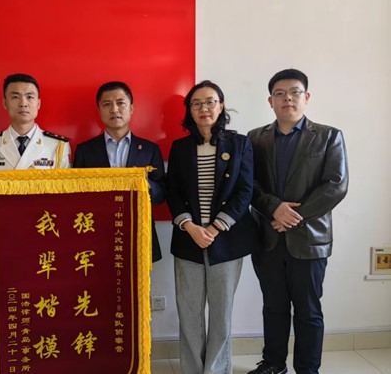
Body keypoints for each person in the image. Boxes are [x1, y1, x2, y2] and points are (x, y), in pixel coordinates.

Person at [247, 69, 348, 374]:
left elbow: (336, 185)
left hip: (310, 240)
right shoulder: (255, 138)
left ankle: (308, 369)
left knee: (308, 310)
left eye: (294, 92)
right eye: (279, 93)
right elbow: (248, 184)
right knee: (273, 306)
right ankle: (273, 364)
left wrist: (293, 216)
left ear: (307, 97)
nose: (287, 98)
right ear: (270, 101)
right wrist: (274, 208)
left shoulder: (329, 136)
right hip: (268, 237)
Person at [167, 80, 259, 374]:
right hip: (188, 239)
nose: (203, 108)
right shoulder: (180, 148)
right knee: (189, 313)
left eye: (210, 102)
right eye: (196, 103)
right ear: (189, 111)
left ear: (221, 106)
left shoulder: (240, 143)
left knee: (221, 314)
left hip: (227, 241)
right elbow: (173, 192)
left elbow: (245, 191)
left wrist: (216, 228)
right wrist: (191, 227)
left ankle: (217, 370)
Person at [73, 81, 166, 262]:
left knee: (137, 280)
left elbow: (161, 194)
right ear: (99, 111)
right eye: (107, 104)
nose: (114, 109)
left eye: (120, 103)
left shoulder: (149, 149)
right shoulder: (85, 150)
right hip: (97, 232)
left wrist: (146, 184)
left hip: (138, 231)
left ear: (131, 108)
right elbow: (76, 194)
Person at [0, 73, 71, 171]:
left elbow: (65, 181)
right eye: (15, 97)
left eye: (30, 97)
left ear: (38, 104)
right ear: (5, 103)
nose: (23, 103)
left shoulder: (58, 146)